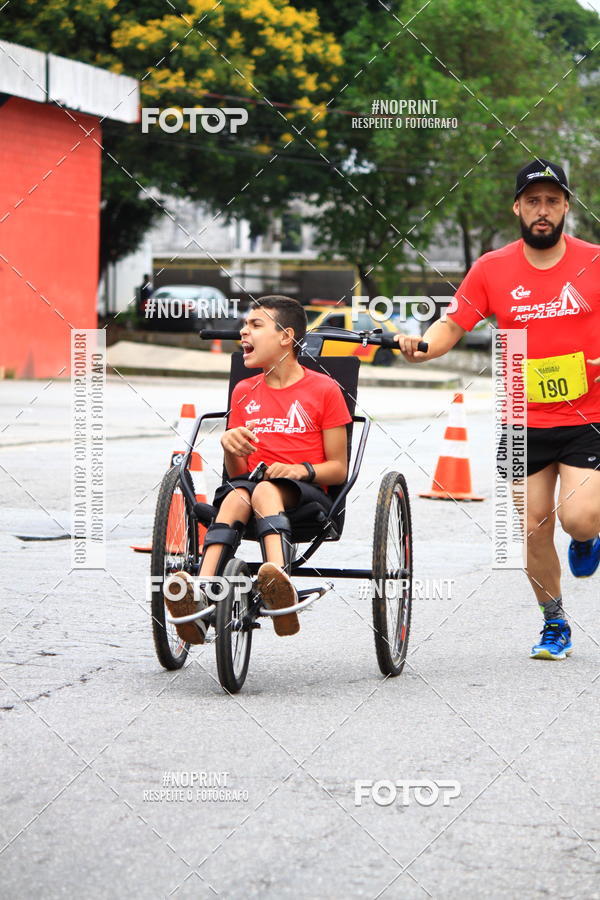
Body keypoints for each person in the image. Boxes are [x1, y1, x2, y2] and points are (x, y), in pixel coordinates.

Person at [394, 158, 600, 660]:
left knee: (580, 518)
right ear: (517, 208)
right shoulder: (492, 268)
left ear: (566, 207)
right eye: (533, 201)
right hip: (518, 418)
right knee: (530, 527)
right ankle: (555, 624)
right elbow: (454, 322)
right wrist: (423, 345)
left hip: (586, 417)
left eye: (552, 201)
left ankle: (587, 537)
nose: (543, 210)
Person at [164, 295, 351, 641]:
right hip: (250, 487)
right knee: (237, 496)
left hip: (307, 496)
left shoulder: (324, 390)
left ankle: (280, 585)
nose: (243, 333)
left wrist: (301, 471)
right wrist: (229, 443)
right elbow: (238, 474)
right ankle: (202, 593)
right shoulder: (243, 391)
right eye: (244, 325)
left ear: (286, 336)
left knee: (264, 489)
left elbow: (338, 469)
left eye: (255, 325)